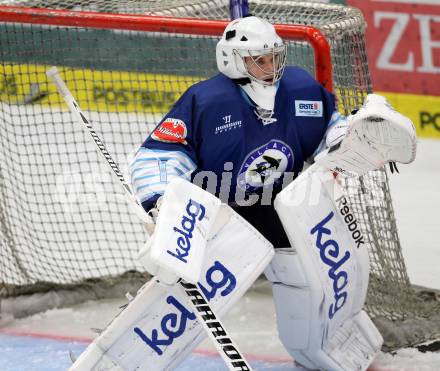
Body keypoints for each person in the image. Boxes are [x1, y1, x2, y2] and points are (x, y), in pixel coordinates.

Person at [129, 15, 415, 371]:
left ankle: (319, 345)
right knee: (187, 284)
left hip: (284, 206)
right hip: (222, 212)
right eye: (260, 60)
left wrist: (347, 143)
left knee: (316, 273)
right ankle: (136, 347)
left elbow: (331, 127)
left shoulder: (300, 90)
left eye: (275, 57)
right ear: (232, 60)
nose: (272, 68)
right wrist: (159, 204)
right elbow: (161, 155)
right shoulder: (206, 101)